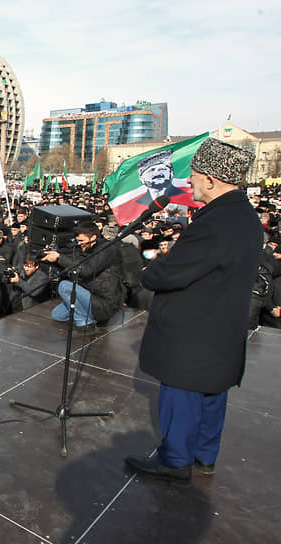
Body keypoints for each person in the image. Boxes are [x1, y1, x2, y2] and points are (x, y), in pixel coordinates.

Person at [125, 138, 262, 481]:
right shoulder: (243, 215)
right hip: (222, 328)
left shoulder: (215, 222)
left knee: (182, 395)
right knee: (212, 391)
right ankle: (204, 456)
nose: (189, 182)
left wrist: (147, 272)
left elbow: (171, 273)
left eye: (195, 175)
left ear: (212, 180)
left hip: (192, 333)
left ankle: (175, 460)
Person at [40, 221, 124, 333]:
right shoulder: (83, 250)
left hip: (104, 302)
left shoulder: (107, 249)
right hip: (89, 295)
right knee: (57, 315)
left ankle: (86, 324)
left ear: (93, 237)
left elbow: (86, 270)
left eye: (82, 241)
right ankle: (85, 315)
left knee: (64, 286)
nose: (79, 244)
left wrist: (59, 258)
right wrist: (50, 259)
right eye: (77, 241)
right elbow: (70, 264)